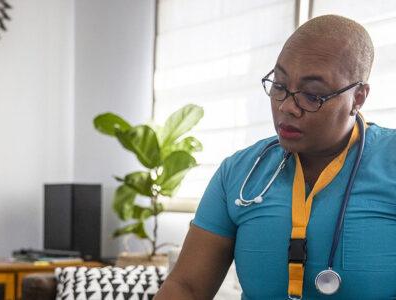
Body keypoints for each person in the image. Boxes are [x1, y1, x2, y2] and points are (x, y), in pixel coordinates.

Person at [155, 14, 396, 299]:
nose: (287, 107)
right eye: (279, 86)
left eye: (312, 94)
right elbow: (187, 288)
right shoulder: (238, 172)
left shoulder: (389, 161)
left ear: (357, 98)